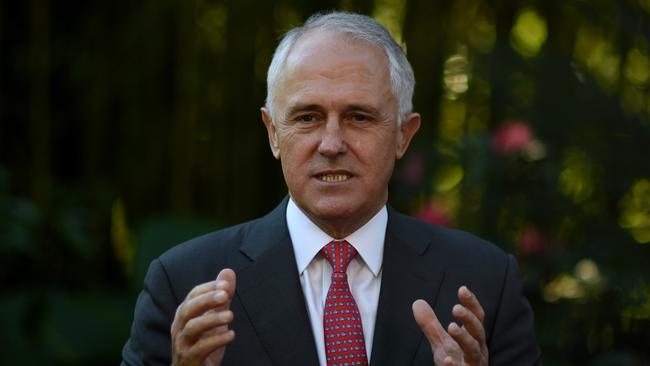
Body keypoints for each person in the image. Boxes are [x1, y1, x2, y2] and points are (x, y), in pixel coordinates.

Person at [121, 11, 541, 366]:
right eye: (307, 117)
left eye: (359, 117)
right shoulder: (183, 284)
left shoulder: (485, 283)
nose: (332, 144)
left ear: (403, 135)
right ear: (273, 133)